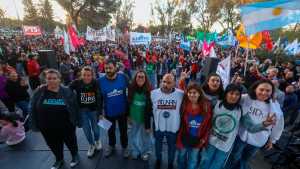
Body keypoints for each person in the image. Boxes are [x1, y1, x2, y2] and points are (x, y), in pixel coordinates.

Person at [225, 79, 284, 169]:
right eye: (261, 89)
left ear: (272, 92)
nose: (264, 93)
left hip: (258, 140)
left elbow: (279, 125)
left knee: (245, 160)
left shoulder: (275, 107)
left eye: (268, 91)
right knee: (233, 158)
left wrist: (272, 140)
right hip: (241, 136)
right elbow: (230, 97)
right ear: (255, 89)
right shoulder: (245, 98)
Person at [29, 69, 81, 169]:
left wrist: (77, 121)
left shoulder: (66, 91)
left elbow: (75, 107)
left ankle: (75, 156)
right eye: (49, 78)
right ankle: (59, 159)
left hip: (66, 125)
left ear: (59, 79)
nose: (51, 81)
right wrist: (34, 124)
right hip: (47, 127)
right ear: (45, 79)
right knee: (53, 145)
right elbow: (31, 107)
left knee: (71, 142)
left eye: (54, 78)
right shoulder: (39, 91)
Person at [200, 84, 242, 169]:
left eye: (237, 94)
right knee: (205, 161)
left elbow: (249, 124)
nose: (234, 96)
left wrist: (264, 124)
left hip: (225, 145)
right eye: (231, 93)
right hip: (211, 140)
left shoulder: (240, 109)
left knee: (217, 165)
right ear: (226, 93)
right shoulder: (217, 103)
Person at [151, 73, 184, 169]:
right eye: (164, 81)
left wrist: (182, 80)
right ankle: (158, 160)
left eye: (169, 82)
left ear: (174, 83)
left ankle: (170, 163)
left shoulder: (180, 94)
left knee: (172, 148)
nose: (166, 84)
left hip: (173, 127)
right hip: (158, 127)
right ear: (161, 81)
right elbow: (149, 110)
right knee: (157, 146)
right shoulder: (153, 93)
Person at [176, 82, 212, 169]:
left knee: (193, 159)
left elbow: (208, 125)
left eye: (194, 92)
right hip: (184, 137)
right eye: (190, 92)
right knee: (181, 156)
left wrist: (204, 139)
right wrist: (181, 81)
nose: (192, 95)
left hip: (198, 139)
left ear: (199, 93)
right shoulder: (184, 104)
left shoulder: (206, 106)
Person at [98, 59, 129, 158]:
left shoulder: (123, 77)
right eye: (106, 68)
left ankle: (125, 147)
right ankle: (111, 146)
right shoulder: (100, 81)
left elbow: (130, 92)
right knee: (110, 131)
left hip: (122, 111)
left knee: (123, 131)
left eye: (110, 68)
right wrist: (100, 112)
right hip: (108, 112)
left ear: (115, 67)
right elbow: (99, 98)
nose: (108, 70)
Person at [69, 66, 102, 158]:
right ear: (81, 75)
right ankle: (91, 145)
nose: (86, 77)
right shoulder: (77, 82)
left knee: (96, 129)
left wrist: (100, 112)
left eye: (88, 75)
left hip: (93, 110)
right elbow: (67, 90)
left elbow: (100, 97)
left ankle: (97, 140)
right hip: (82, 111)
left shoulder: (96, 83)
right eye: (84, 75)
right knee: (86, 130)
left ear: (92, 75)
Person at [128, 70, 152, 160]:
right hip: (134, 117)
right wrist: (128, 116)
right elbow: (128, 103)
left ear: (145, 79)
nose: (140, 78)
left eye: (142, 77)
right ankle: (136, 150)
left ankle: (145, 152)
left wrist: (149, 124)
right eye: (138, 76)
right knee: (133, 135)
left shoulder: (149, 90)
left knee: (145, 136)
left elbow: (150, 108)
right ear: (135, 78)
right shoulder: (131, 88)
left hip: (144, 119)